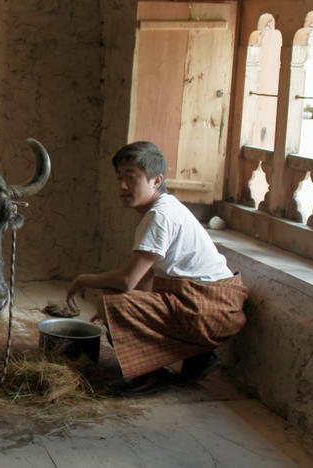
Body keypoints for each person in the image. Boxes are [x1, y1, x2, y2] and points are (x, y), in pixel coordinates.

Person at [66, 141, 248, 394]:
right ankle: (199, 358)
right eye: (119, 178)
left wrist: (84, 280)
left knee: (110, 303)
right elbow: (146, 278)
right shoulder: (164, 208)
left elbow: (128, 280)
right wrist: (126, 312)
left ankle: (148, 376)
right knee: (119, 304)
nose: (122, 186)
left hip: (209, 308)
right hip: (214, 304)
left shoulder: (159, 216)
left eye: (132, 178)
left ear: (156, 181)